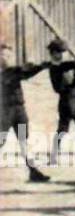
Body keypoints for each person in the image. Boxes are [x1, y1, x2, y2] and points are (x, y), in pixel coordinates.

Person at [0, 42, 51, 182]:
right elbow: (20, 73)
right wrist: (38, 67)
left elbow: (23, 73)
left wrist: (39, 66)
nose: (6, 58)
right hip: (4, 112)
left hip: (19, 110)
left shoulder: (13, 70)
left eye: (9, 55)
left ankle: (33, 171)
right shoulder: (5, 72)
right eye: (3, 55)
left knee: (24, 140)